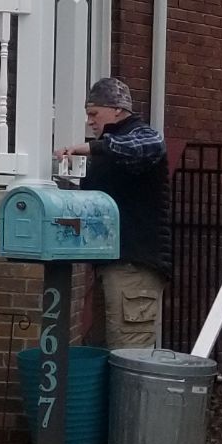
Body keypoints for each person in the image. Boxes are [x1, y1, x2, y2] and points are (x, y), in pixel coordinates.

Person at [74, 74, 171, 349]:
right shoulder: (108, 149)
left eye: (94, 113)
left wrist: (91, 148)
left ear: (117, 109)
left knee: (129, 353)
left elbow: (148, 147)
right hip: (111, 264)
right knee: (102, 349)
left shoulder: (141, 135)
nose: (90, 121)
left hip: (135, 265)